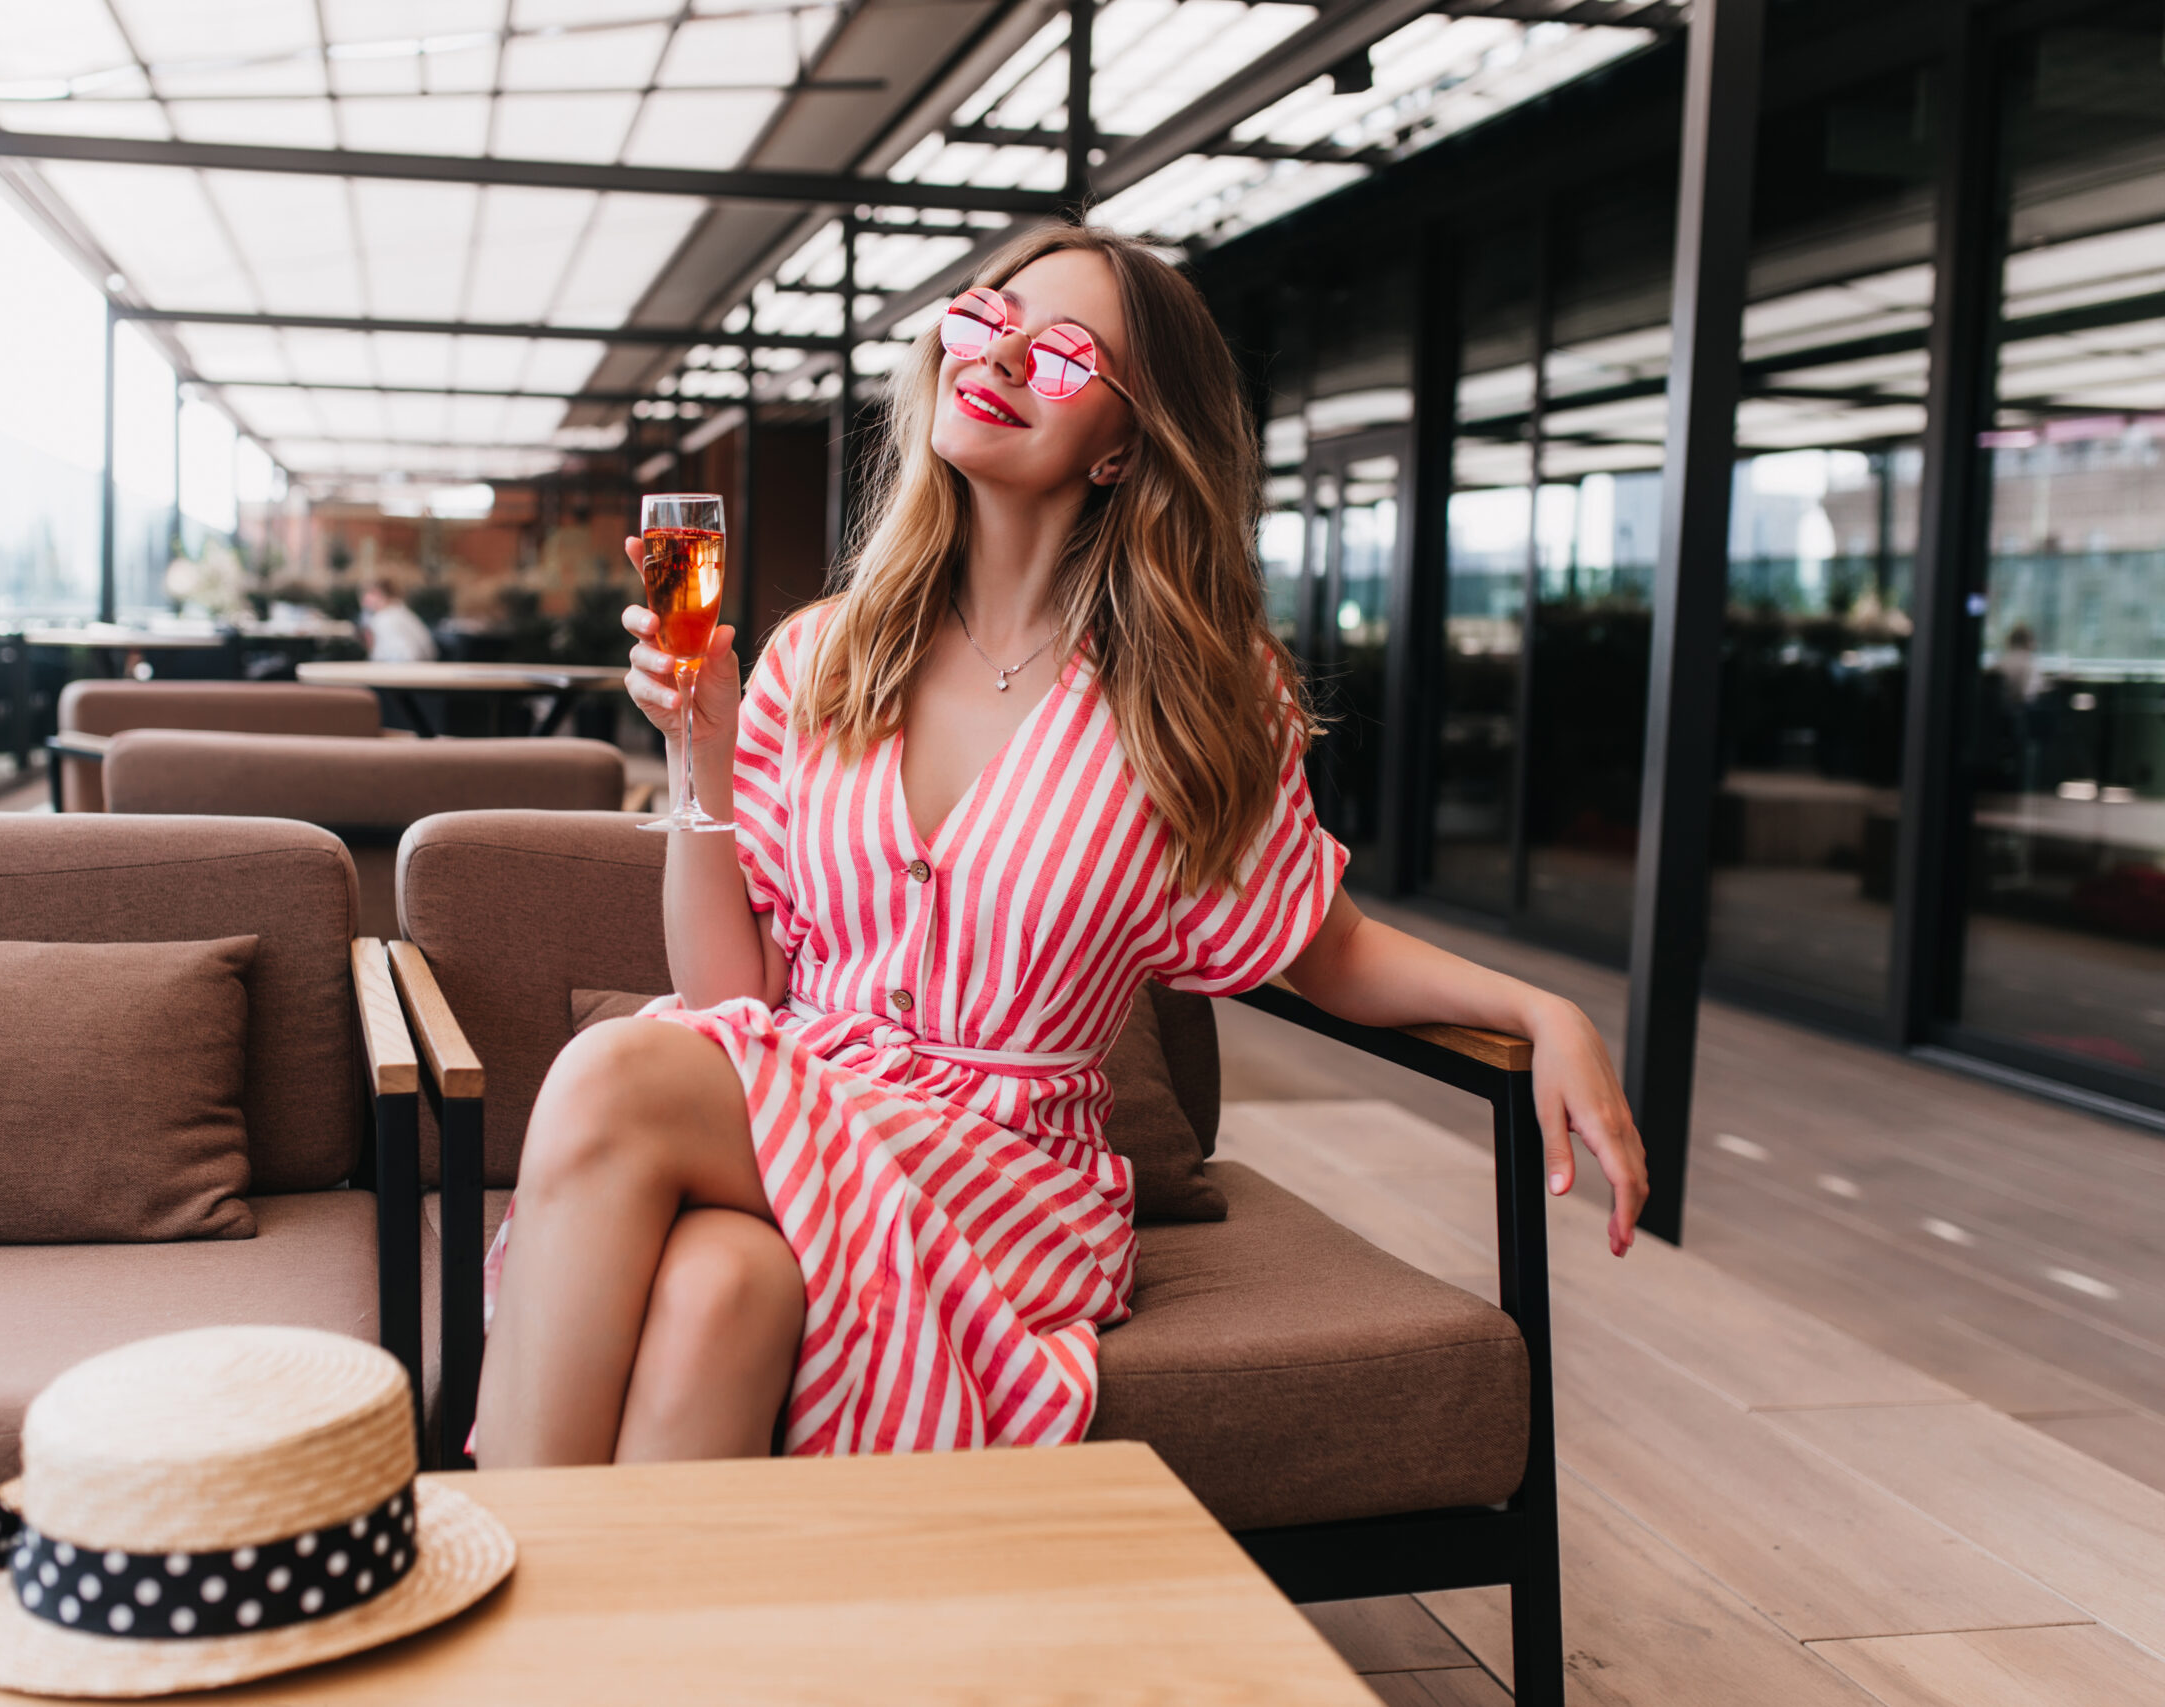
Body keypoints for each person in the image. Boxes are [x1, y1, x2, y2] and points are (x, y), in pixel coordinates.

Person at [472, 227, 1648, 1468]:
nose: (1009, 355)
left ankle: (487, 1604)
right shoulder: (821, 655)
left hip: (1011, 1163)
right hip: (810, 1105)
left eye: (1067, 351)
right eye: (991, 318)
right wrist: (699, 747)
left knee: (612, 1075)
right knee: (722, 1286)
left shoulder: (1192, 693)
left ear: (1126, 444)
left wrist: (1540, 1006)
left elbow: (1329, 950)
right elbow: (729, 1000)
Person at [359, 581, 437, 663]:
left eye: (367, 595)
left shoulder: (385, 618)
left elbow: (402, 655)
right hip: (419, 665)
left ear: (378, 594)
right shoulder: (399, 612)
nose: (364, 601)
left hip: (406, 670)